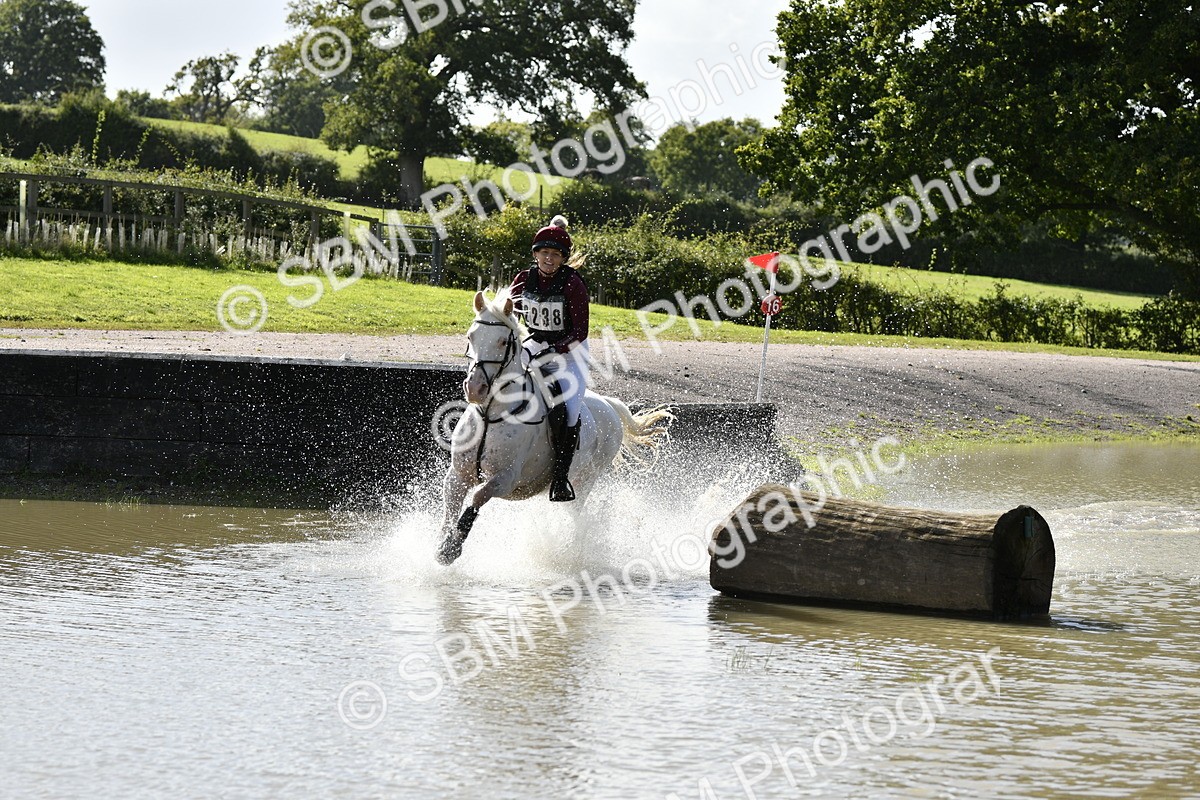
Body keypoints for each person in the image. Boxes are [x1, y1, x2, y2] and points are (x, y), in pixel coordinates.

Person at [509, 215, 591, 502]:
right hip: (534, 345)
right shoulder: (522, 280)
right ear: (535, 254)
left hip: (570, 354)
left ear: (563, 259)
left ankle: (559, 478)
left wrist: (555, 349)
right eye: (544, 253)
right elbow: (510, 317)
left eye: (555, 255)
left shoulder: (573, 285)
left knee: (568, 410)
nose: (549, 259)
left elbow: (580, 331)